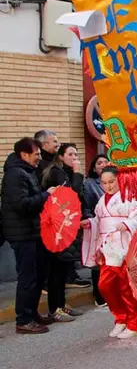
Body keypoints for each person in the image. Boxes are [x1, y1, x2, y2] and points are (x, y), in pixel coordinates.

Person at [81, 166, 137, 338]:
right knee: (106, 286)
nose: (108, 186)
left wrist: (127, 224)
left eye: (111, 182)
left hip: (126, 246)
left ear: (119, 180)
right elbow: (99, 220)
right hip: (109, 248)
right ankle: (121, 317)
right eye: (104, 183)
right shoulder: (101, 200)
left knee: (127, 287)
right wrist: (90, 223)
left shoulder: (130, 198)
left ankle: (135, 322)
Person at [1, 137, 57, 334]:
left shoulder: (27, 171)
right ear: (24, 154)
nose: (39, 158)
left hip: (32, 232)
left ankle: (32, 313)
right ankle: (24, 319)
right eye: (36, 154)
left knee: (38, 274)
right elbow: (22, 205)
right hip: (21, 234)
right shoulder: (15, 174)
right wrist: (46, 195)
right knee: (28, 277)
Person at [41, 143, 86, 322]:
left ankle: (61, 304)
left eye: (76, 154)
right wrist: (77, 173)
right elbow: (72, 194)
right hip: (55, 228)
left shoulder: (64, 172)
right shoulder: (57, 172)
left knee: (62, 269)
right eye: (70, 154)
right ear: (60, 156)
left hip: (64, 225)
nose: (74, 158)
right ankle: (54, 308)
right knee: (56, 270)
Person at [83, 154, 109, 307]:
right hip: (96, 225)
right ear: (94, 167)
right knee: (98, 262)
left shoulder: (118, 182)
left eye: (105, 161)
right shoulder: (89, 184)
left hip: (113, 229)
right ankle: (99, 295)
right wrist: (91, 221)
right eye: (99, 162)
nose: (103, 164)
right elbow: (86, 206)